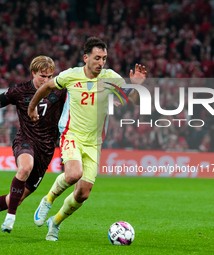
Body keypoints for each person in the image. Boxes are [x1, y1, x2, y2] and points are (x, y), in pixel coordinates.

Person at [28, 37, 147, 241]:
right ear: (86, 58)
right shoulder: (71, 75)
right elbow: (47, 87)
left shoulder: (110, 77)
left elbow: (133, 100)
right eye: (97, 58)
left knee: (83, 194)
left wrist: (136, 86)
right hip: (71, 133)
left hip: (94, 142)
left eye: (104, 58)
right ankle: (48, 199)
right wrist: (32, 107)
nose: (101, 63)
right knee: (74, 174)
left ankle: (55, 223)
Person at [0, 56, 67, 233]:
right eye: (43, 76)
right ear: (33, 73)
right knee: (25, 168)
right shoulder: (20, 90)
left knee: (15, 199)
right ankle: (10, 218)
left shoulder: (59, 89)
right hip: (25, 139)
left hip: (47, 149)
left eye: (50, 76)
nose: (47, 80)